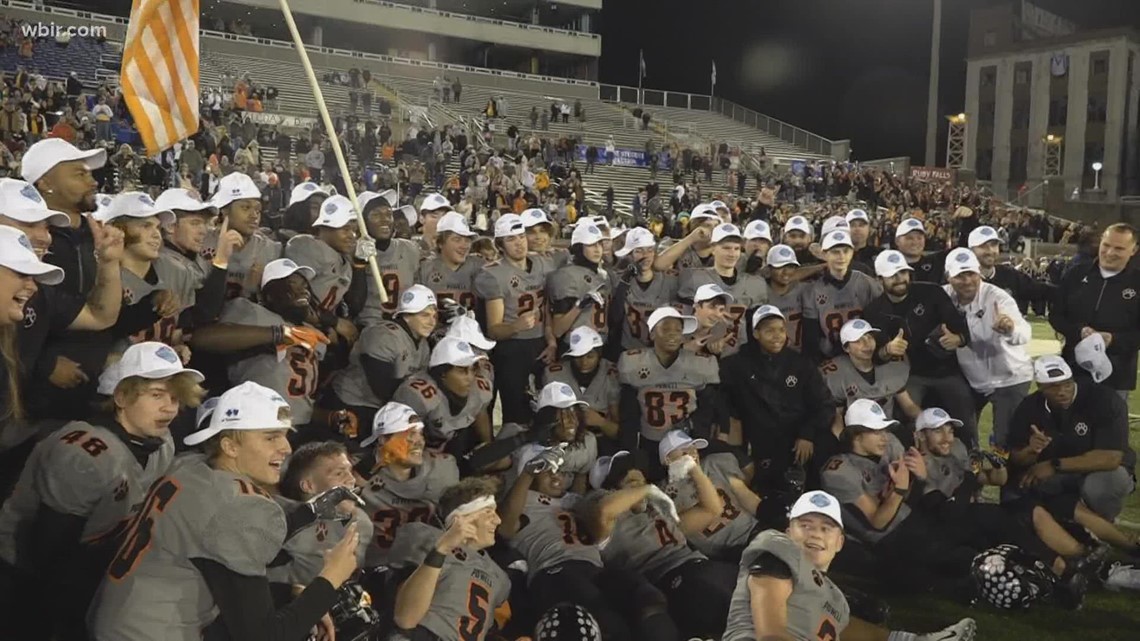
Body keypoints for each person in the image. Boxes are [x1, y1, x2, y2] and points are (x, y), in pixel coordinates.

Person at [88, 381, 361, 641]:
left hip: (116, 616)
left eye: (285, 435)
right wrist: (331, 578)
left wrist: (310, 512)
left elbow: (221, 537)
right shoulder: (240, 507)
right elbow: (265, 636)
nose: (286, 447)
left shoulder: (191, 467)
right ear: (230, 445)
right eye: (271, 437)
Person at [0, 336, 198, 640]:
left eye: (175, 397)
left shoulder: (161, 443)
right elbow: (47, 552)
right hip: (23, 575)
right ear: (121, 397)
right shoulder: (85, 452)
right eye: (157, 394)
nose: (169, 408)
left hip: (84, 564)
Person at [721, 489, 977, 641]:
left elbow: (852, 630)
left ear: (840, 542)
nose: (816, 534)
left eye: (826, 528)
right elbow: (771, 636)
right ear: (789, 532)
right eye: (806, 525)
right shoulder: (776, 553)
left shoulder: (834, 598)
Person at [584, 449, 737, 639]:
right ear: (612, 490)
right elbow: (603, 512)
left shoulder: (657, 510)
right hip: (670, 579)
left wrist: (693, 469)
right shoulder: (605, 515)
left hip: (704, 566)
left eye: (643, 480)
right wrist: (646, 490)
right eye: (632, 482)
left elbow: (712, 509)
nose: (642, 484)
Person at [191, 258, 331, 431]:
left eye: (305, 285)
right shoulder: (254, 313)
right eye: (292, 284)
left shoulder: (313, 334)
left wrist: (329, 417)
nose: (303, 290)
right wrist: (278, 334)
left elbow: (298, 401)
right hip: (256, 423)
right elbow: (202, 339)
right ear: (269, 294)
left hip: (298, 428)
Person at [862, 250, 977, 447]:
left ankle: (971, 459)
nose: (900, 279)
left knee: (965, 418)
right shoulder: (873, 311)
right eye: (893, 275)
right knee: (908, 425)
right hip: (908, 377)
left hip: (946, 371)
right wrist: (888, 349)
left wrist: (958, 338)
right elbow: (876, 358)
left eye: (903, 273)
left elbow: (961, 327)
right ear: (879, 279)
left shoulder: (931, 292)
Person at [1005, 355, 1136, 521]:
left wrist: (1055, 465)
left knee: (1100, 485)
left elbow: (1111, 458)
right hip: (1058, 472)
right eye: (1053, 387)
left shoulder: (1104, 399)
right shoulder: (1029, 407)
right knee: (1023, 484)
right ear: (1040, 387)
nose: (1062, 392)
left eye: (1067, 384)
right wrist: (1030, 451)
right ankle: (1067, 523)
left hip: (1099, 470)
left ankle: (1104, 524)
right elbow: (1016, 458)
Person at [719, 305, 833, 494]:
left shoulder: (801, 364)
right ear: (756, 333)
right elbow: (723, 398)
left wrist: (807, 434)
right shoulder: (737, 365)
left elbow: (823, 404)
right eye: (769, 330)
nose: (777, 335)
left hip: (800, 438)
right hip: (760, 442)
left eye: (781, 329)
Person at [388, 476, 511, 641]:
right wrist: (441, 549)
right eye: (489, 512)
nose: (497, 520)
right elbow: (406, 618)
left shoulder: (499, 577)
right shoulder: (426, 537)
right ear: (462, 516)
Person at [942, 248, 1032, 449]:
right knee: (964, 436)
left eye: (972, 274)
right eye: (960, 276)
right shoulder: (942, 296)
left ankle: (1008, 477)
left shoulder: (997, 298)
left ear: (979, 273)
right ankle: (974, 475)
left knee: (1006, 440)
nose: (967, 281)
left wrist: (1010, 329)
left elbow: (1024, 334)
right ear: (949, 277)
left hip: (1010, 377)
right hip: (973, 379)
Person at [618, 307, 721, 481]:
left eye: (678, 330)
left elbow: (708, 405)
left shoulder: (701, 364)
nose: (673, 334)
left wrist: (701, 436)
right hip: (649, 439)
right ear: (651, 334)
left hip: (686, 440)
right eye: (665, 329)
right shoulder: (632, 363)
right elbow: (628, 410)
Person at [357, 402, 459, 567]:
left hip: (422, 565)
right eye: (409, 434)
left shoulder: (442, 468)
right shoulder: (355, 473)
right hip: (371, 567)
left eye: (420, 433)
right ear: (383, 439)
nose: (419, 441)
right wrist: (374, 463)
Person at [476, 213, 555, 424]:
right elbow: (494, 329)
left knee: (544, 410)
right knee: (516, 414)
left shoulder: (544, 262)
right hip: (512, 349)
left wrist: (550, 340)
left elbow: (548, 306)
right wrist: (515, 326)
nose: (519, 243)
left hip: (540, 344)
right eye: (511, 239)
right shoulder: (493, 274)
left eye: (520, 236)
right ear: (500, 245)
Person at [1049, 222, 1140, 399]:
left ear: (1134, 250)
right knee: (1069, 424)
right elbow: (1056, 316)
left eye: (1119, 248)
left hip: (1116, 376)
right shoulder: (1076, 273)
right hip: (1073, 370)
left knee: (1109, 425)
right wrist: (1079, 331)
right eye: (1106, 245)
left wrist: (1113, 339)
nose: (1110, 253)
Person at [331, 284, 437, 431]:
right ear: (406, 316)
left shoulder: (423, 344)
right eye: (425, 315)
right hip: (353, 404)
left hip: (384, 408)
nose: (432, 322)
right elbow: (382, 387)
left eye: (434, 316)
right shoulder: (383, 334)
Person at [657, 430, 763, 562]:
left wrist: (768, 517)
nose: (693, 455)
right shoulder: (662, 496)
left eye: (694, 449)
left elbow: (745, 496)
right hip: (725, 554)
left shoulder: (714, 463)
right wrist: (694, 472)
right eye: (685, 452)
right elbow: (682, 529)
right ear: (668, 459)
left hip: (753, 531)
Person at [392, 337, 495, 467]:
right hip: (418, 452)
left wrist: (488, 444)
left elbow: (481, 412)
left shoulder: (480, 389)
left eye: (472, 369)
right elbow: (400, 441)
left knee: (501, 460)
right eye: (462, 370)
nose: (470, 376)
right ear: (442, 373)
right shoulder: (415, 395)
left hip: (453, 445)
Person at [678, 223, 769, 357]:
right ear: (713, 248)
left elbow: (754, 327)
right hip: (699, 354)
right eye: (726, 248)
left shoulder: (755, 283)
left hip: (738, 357)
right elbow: (684, 322)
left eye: (736, 248)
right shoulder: (693, 277)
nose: (732, 253)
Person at [799, 229, 881, 361]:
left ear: (852, 252)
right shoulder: (813, 290)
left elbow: (879, 321)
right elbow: (811, 338)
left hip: (864, 353)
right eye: (835, 252)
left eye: (846, 251)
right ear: (824, 254)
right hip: (830, 357)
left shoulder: (866, 282)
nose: (841, 256)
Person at [201, 172, 282, 301]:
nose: (254, 215)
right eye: (245, 207)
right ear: (224, 210)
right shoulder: (202, 241)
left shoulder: (269, 249)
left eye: (257, 209)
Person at [542, 329, 621, 450]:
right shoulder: (554, 374)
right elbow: (545, 423)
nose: (584, 362)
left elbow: (619, 432)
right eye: (578, 356)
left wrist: (600, 422)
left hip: (601, 441)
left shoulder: (611, 374)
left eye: (590, 356)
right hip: (564, 443)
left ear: (599, 355)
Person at [607, 227, 678, 352]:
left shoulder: (670, 280)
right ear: (629, 254)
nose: (645, 256)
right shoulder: (618, 279)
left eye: (650, 250)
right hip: (628, 348)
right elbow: (614, 318)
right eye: (639, 251)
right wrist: (624, 281)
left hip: (660, 349)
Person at [357, 190, 421, 323]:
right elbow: (354, 305)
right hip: (368, 326)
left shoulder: (410, 249)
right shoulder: (354, 252)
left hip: (404, 325)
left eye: (388, 214)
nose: (385, 219)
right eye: (376, 215)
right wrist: (358, 263)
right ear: (362, 221)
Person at [548, 221, 611, 344]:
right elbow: (558, 330)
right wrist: (579, 305)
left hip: (600, 343)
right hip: (575, 345)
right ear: (578, 248)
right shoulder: (566, 276)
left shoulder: (604, 275)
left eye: (599, 243)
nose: (597, 249)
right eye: (590, 245)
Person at [764, 244, 807, 351]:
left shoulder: (804, 289)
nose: (786, 272)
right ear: (769, 269)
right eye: (780, 267)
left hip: (799, 354)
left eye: (790, 267)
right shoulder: (760, 291)